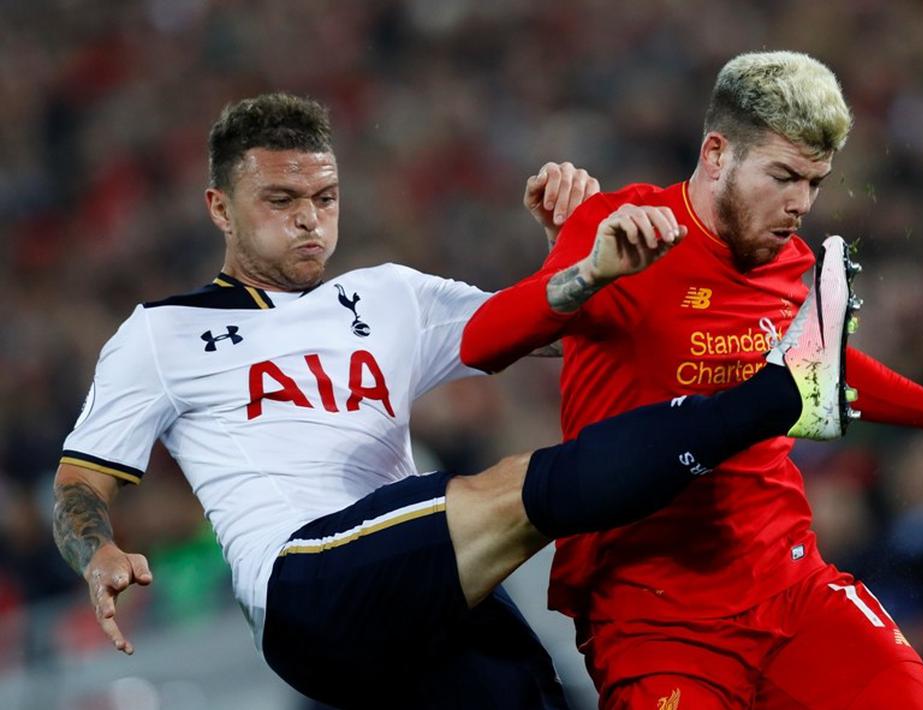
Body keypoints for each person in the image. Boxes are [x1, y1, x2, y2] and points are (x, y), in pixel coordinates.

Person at [51, 92, 863, 709]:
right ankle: (786, 390)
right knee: (508, 491)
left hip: (423, 587)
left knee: (534, 690)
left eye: (324, 199)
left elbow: (542, 324)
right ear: (220, 208)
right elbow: (80, 485)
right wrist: (98, 553)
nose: (309, 222)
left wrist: (577, 256)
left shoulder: (389, 296)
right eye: (281, 202)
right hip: (307, 587)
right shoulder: (160, 334)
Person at [461, 51, 923, 709]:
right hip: (651, 613)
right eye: (782, 177)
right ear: (716, 153)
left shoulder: (787, 259)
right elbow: (482, 342)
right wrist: (591, 273)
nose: (799, 204)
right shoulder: (622, 228)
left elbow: (813, 368)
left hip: (789, 587)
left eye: (815, 183)